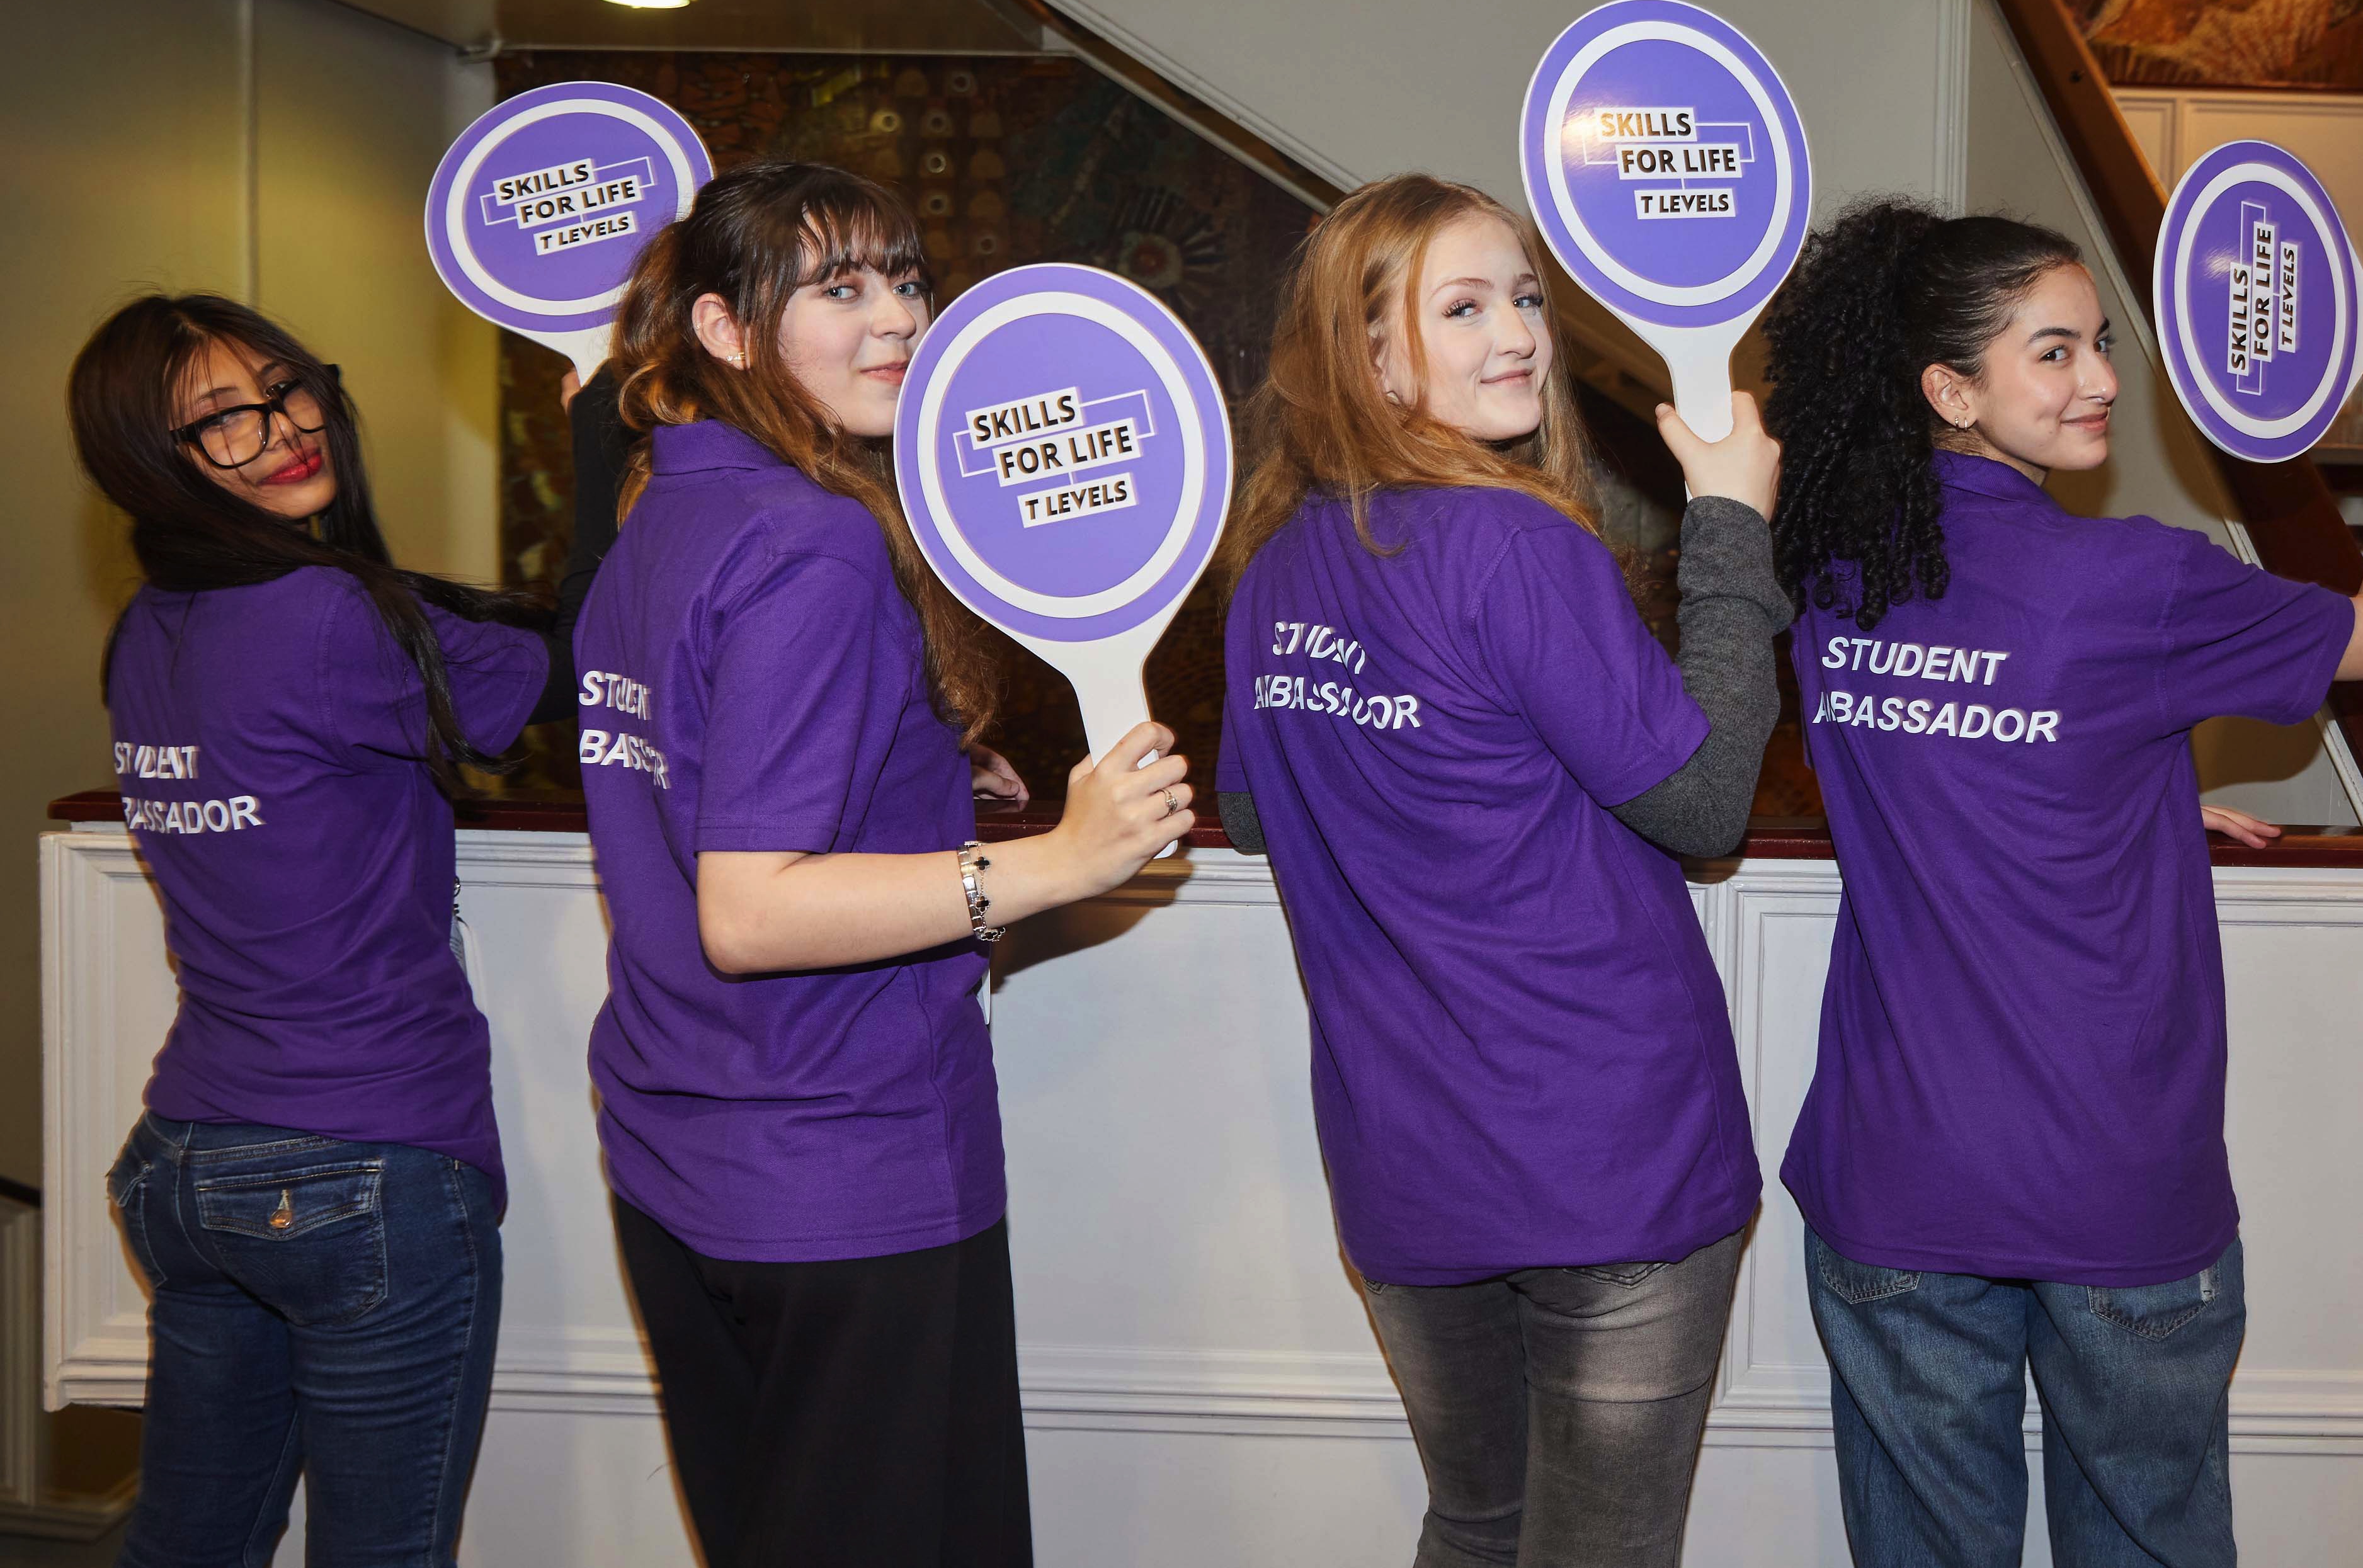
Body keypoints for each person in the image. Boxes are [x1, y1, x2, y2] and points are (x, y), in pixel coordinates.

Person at [1759, 201, 2363, 1568]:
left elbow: (1964, 750)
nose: (2100, 382)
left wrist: (2129, 787)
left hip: (1896, 1173)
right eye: (2053, 352)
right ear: (1949, 390)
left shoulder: (1833, 578)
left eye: (2098, 346)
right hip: (2108, 1175)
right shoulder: (2129, 579)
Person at [573, 160, 1188, 1568]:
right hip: (842, 1169)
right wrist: (1055, 862)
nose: (898, 316)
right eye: (839, 287)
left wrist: (917, 760)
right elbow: (750, 910)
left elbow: (706, 759)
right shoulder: (813, 539)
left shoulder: (665, 514)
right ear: (726, 328)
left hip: (680, 1160)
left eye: (905, 279)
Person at [1214, 173, 1791, 1568]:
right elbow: (1704, 805)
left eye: (1526, 298)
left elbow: (1250, 812)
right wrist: (1728, 523)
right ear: (1367, 358)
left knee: (1477, 1531)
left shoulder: (1278, 565)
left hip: (1409, 1160)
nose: (1520, 335)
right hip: (1606, 1156)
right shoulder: (1518, 546)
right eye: (1463, 308)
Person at [69, 294, 574, 1567]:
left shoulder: (146, 632)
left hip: (187, 1162)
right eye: (222, 420)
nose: (284, 427)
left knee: (188, 1546)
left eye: (288, 387)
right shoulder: (331, 617)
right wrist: (616, 442)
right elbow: (578, 667)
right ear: (151, 462)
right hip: (360, 1163)